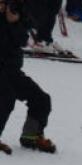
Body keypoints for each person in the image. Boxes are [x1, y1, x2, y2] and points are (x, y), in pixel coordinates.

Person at [0, 0, 56, 154]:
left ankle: (31, 136)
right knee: (6, 98)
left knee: (41, 99)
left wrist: (15, 21)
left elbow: (23, 39)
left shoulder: (19, 9)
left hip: (11, 69)